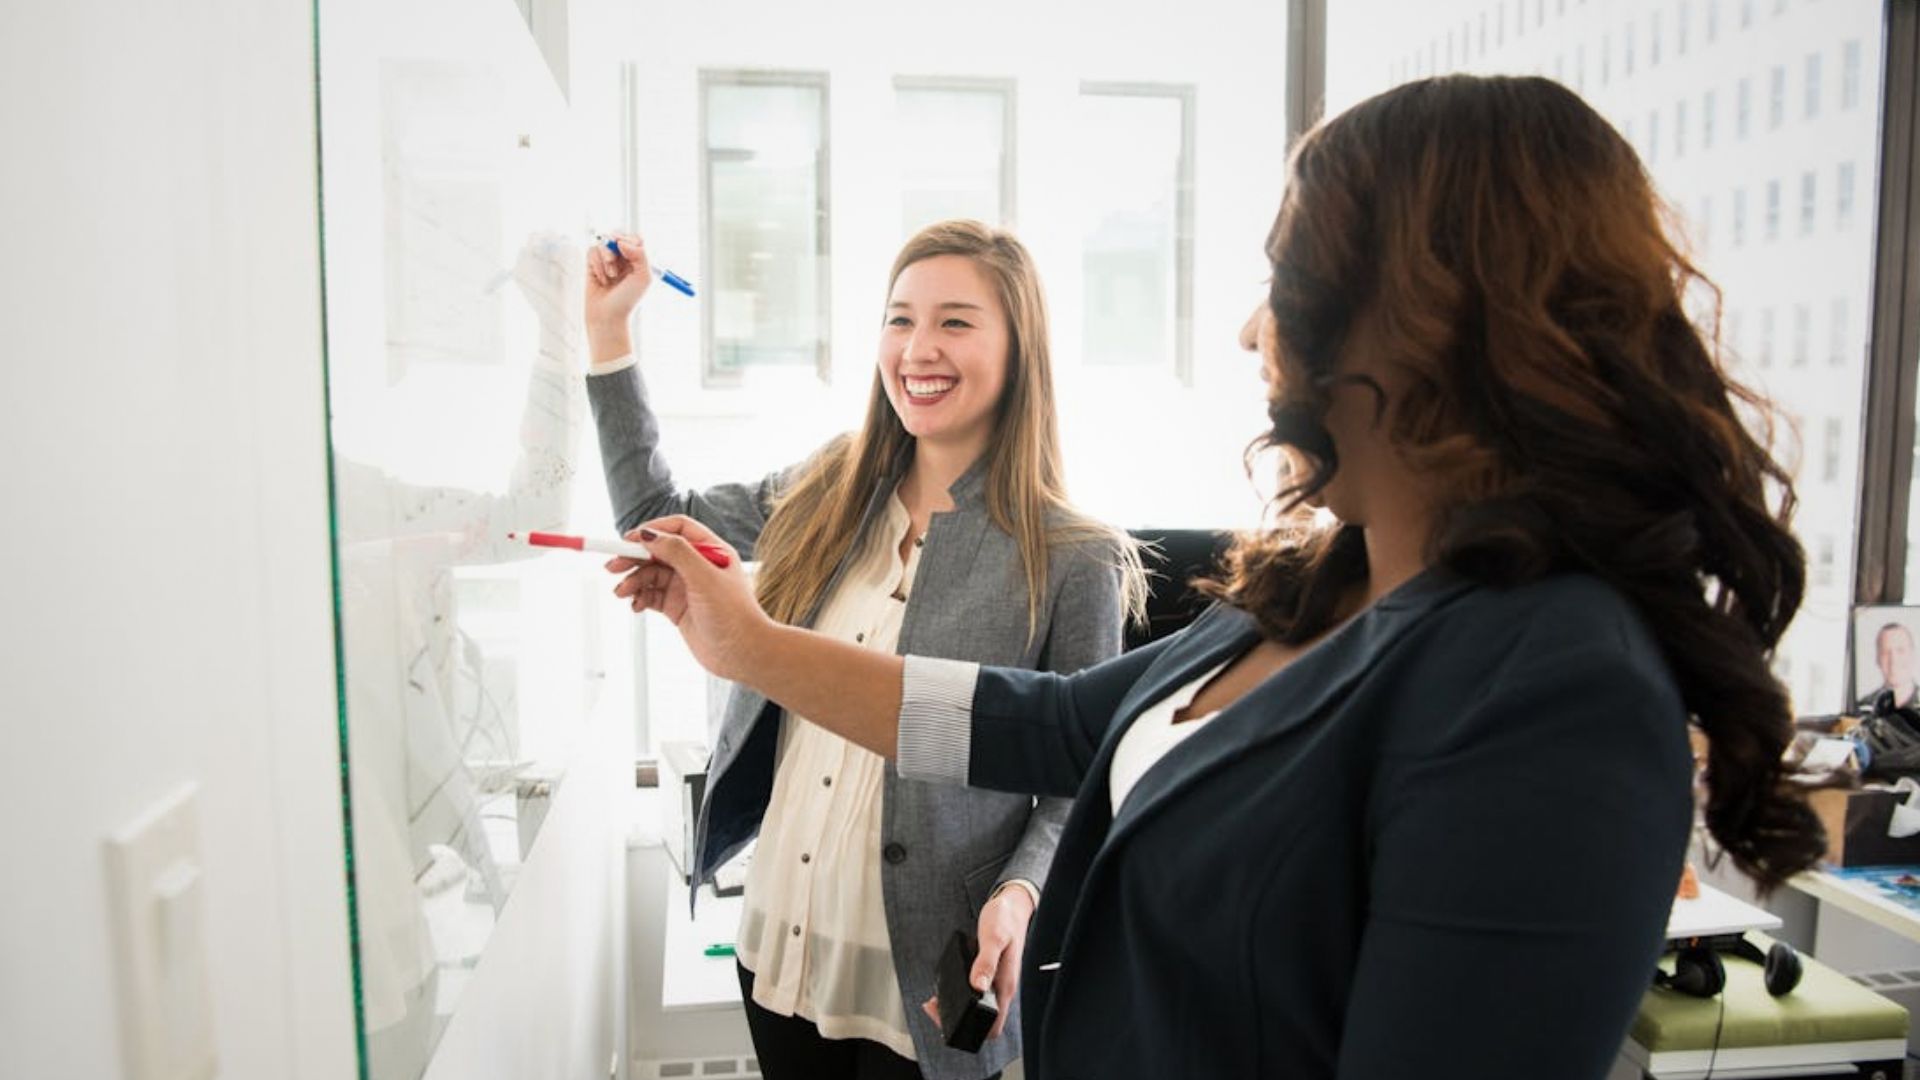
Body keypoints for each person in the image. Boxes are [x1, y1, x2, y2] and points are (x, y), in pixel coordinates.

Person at [607, 75, 1827, 1079]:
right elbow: (1057, 724)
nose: (1253, 332)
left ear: (1423, 314)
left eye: (1283, 279)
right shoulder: (1315, 587)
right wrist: (750, 647)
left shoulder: (1554, 685)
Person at [582, 219, 1140, 1080]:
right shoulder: (830, 487)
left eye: (956, 321)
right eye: (900, 318)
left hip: (932, 971)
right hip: (781, 939)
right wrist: (610, 332)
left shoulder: (1072, 555)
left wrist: (1021, 891)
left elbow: (1078, 775)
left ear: (1019, 346)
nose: (919, 347)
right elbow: (656, 517)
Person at [1857, 622, 1919, 710]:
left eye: (1900, 651)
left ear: (1913, 655)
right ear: (1877, 658)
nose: (1893, 660)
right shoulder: (1863, 707)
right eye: (1885, 653)